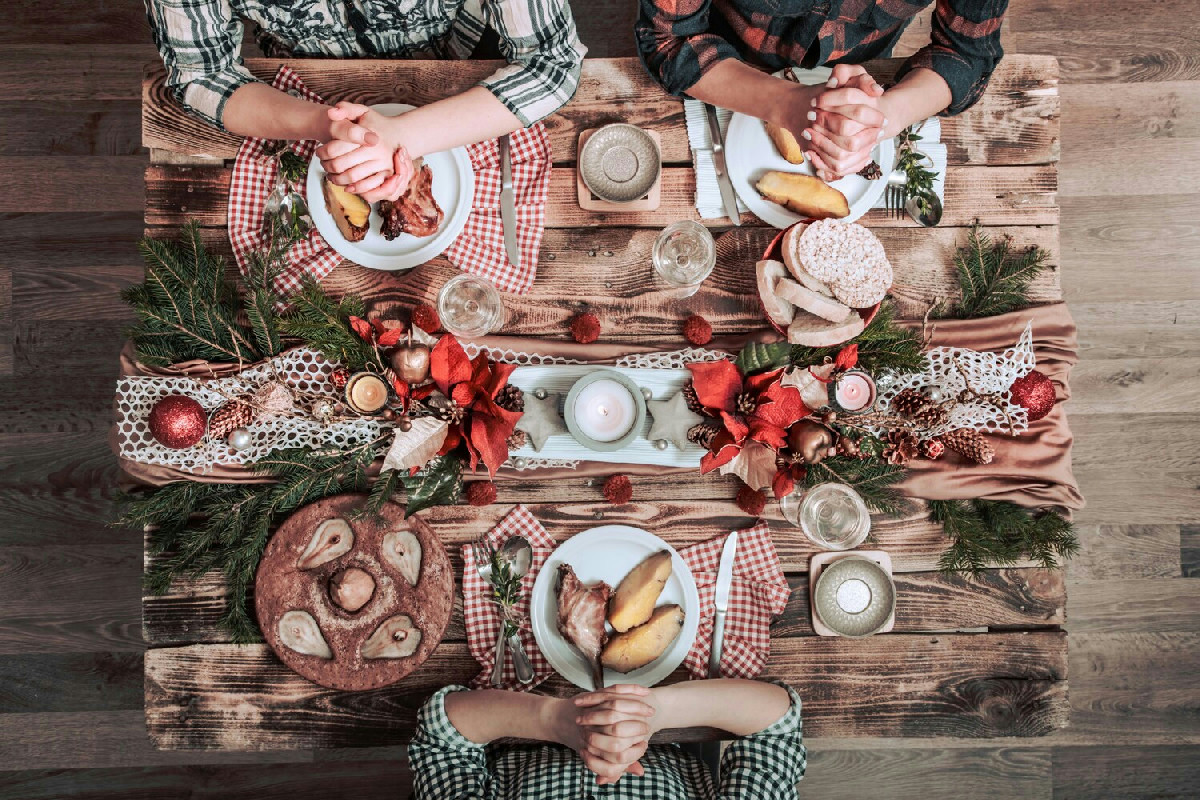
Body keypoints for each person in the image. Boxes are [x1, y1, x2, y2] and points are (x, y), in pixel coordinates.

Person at [144, 0, 586, 201]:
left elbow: (551, 61)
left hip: (448, 62)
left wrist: (405, 136)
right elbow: (204, 74)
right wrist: (328, 124)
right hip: (294, 83)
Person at [635, 0, 1007, 181]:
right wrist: (789, 104)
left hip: (868, 59)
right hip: (725, 55)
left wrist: (879, 118)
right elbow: (669, 38)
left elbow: (967, 53)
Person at [409, 679, 806, 798]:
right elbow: (776, 722)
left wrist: (560, 720)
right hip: (675, 692)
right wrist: (653, 713)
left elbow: (441, 736)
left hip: (517, 698)